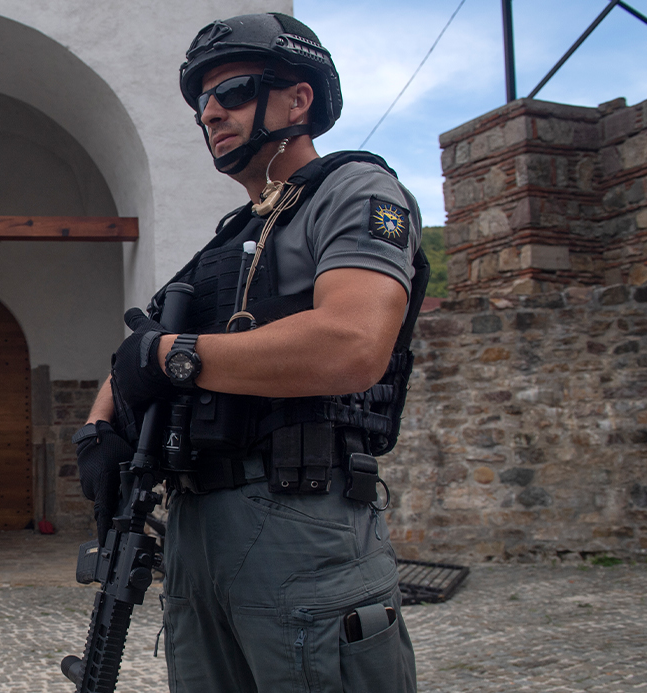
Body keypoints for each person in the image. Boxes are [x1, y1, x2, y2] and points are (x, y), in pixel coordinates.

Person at [74, 12, 425, 692]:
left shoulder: (354, 192)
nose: (211, 113)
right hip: (196, 526)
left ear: (299, 100)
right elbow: (140, 348)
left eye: (233, 91)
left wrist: (173, 358)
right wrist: (97, 429)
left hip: (303, 517)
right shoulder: (229, 238)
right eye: (202, 103)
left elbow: (353, 344)